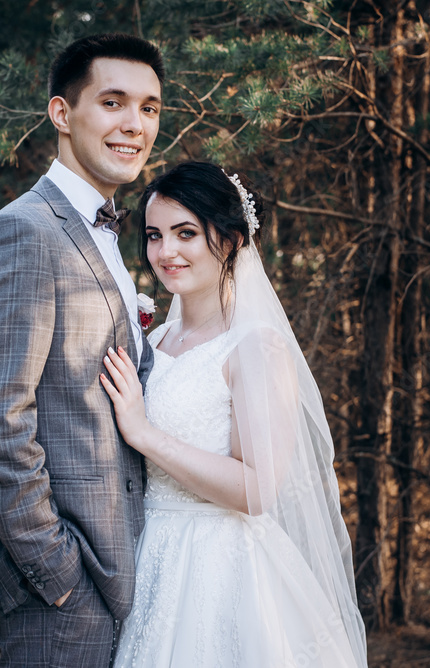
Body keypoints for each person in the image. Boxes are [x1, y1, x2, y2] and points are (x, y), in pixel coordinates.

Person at [100, 161, 368, 667]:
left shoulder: (255, 349)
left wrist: (143, 432)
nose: (165, 252)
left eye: (186, 234)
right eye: (154, 236)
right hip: (145, 558)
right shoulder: (153, 341)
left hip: (219, 566)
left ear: (233, 240)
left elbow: (258, 489)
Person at [0, 33, 163, 667]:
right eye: (113, 102)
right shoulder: (23, 233)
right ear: (62, 114)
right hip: (66, 593)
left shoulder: (104, 233)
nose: (135, 124)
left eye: (151, 108)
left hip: (132, 568)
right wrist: (57, 570)